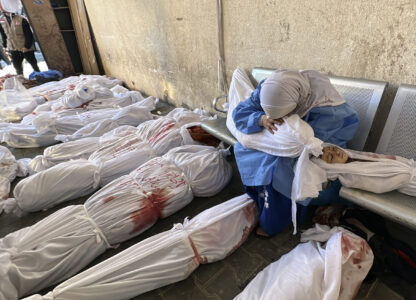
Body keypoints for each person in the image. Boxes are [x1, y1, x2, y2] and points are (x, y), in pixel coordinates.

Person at [232, 69, 359, 237]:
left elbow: (316, 143)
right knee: (244, 149)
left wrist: (285, 139)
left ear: (298, 103)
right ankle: (260, 202)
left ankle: (274, 222)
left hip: (318, 148)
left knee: (277, 171)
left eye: (285, 113)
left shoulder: (328, 109)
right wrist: (261, 119)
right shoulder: (270, 89)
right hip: (282, 142)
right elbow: (241, 113)